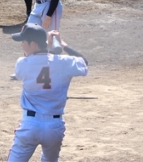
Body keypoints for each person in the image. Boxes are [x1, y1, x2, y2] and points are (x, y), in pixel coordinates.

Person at [7, 24, 88, 162]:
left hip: (30, 125)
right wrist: (61, 44)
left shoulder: (22, 64)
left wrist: (47, 47)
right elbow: (84, 62)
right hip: (54, 127)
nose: (21, 45)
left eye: (24, 41)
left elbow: (35, 60)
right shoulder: (63, 63)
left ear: (33, 44)